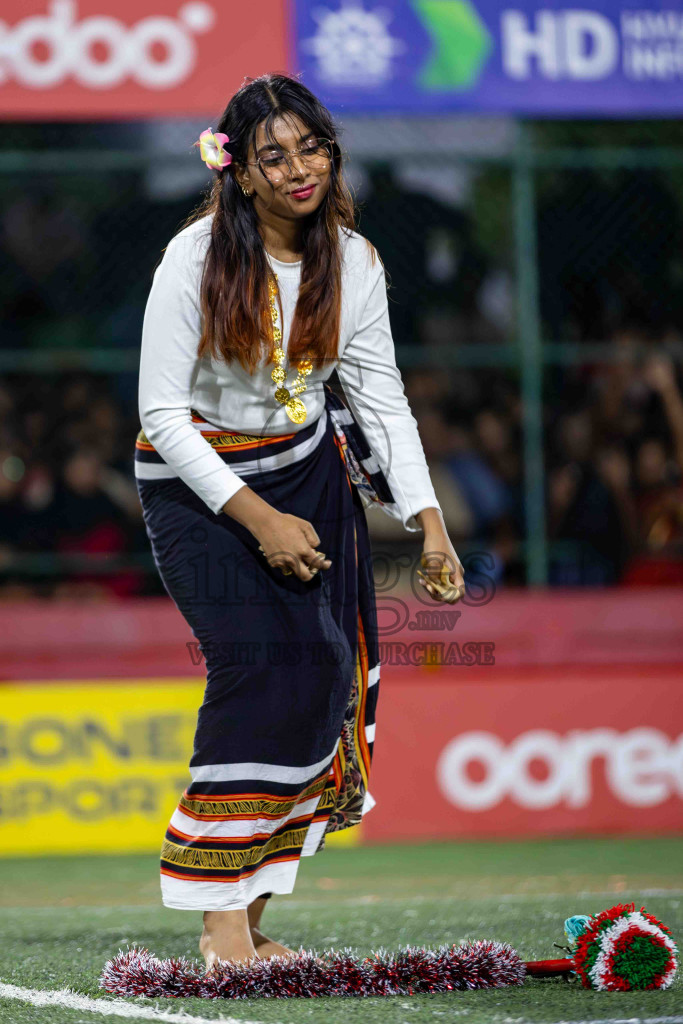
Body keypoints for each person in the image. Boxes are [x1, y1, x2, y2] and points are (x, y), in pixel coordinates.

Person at [134, 72, 465, 971]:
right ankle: (219, 922)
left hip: (309, 474)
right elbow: (162, 413)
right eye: (272, 156)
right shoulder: (194, 258)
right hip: (198, 484)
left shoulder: (354, 261)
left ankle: (257, 900)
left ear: (331, 152)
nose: (296, 169)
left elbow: (380, 398)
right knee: (255, 667)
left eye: (309, 148)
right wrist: (259, 521)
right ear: (238, 172)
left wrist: (427, 522)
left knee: (326, 673)